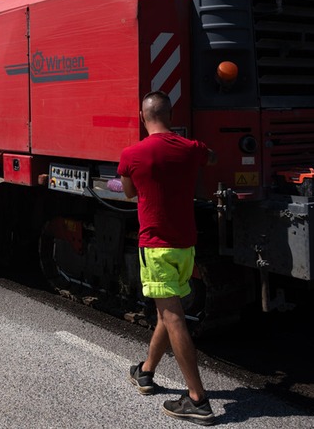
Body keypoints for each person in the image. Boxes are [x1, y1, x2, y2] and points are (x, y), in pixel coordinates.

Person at [117, 90, 217, 425]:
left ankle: (197, 399)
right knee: (167, 310)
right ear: (171, 116)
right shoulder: (192, 149)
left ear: (142, 117)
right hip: (186, 246)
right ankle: (146, 372)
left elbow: (130, 192)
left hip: (156, 246)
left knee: (172, 317)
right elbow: (211, 157)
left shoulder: (132, 155)